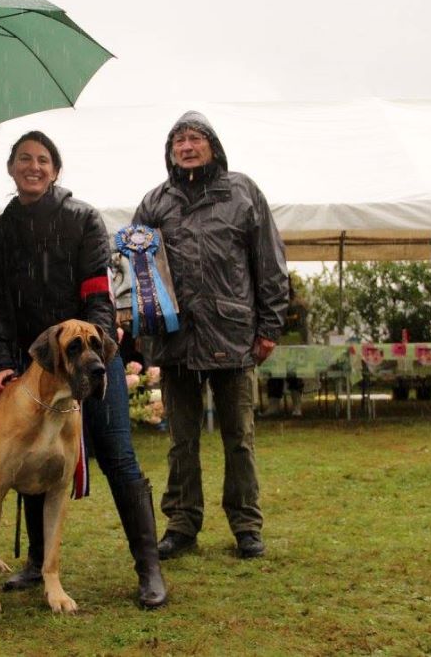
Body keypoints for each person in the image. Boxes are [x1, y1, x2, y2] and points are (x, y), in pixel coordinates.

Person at [0, 131, 167, 609]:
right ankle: (37, 564)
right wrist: (2, 363)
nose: (34, 167)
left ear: (56, 170)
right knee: (27, 456)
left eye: (43, 160)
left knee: (117, 456)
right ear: (12, 169)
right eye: (25, 159)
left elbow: (98, 295)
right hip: (36, 364)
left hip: (89, 355)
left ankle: (148, 568)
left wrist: (97, 355)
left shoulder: (83, 219)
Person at [132, 111, 288, 560]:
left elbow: (270, 263)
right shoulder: (154, 202)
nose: (186, 145)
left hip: (234, 334)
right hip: (177, 339)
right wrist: (146, 327)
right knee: (182, 438)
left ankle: (246, 525)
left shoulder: (243, 192)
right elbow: (138, 272)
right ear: (170, 151)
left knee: (239, 437)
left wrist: (270, 328)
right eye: (178, 139)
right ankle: (181, 525)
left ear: (213, 146)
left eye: (195, 137)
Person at [263, 280, 308, 418]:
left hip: (294, 348)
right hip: (276, 347)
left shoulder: (298, 305)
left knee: (294, 375)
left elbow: (301, 330)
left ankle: (297, 407)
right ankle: (273, 407)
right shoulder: (272, 304)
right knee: (274, 375)